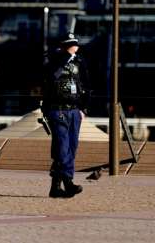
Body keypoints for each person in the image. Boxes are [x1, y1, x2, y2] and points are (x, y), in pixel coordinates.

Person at [42, 32, 90, 198]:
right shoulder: (54, 61)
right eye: (71, 45)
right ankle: (68, 183)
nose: (74, 47)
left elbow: (86, 85)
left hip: (74, 110)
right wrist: (65, 57)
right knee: (62, 148)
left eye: (75, 44)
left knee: (71, 148)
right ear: (63, 47)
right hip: (58, 109)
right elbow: (51, 77)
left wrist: (83, 109)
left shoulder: (80, 62)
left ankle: (55, 187)